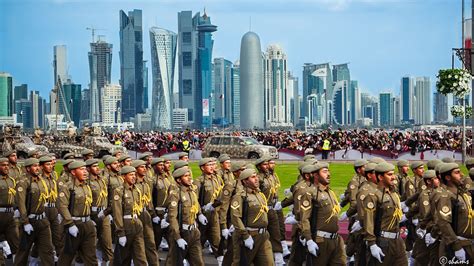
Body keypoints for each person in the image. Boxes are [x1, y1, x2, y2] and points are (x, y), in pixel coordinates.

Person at [299, 162, 346, 265]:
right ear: (316, 175)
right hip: (320, 240)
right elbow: (304, 219)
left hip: (336, 239)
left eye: (328, 171)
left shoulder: (330, 192)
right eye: (324, 172)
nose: (328, 174)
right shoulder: (310, 193)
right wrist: (309, 239)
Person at [362, 162, 407, 266]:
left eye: (393, 174)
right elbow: (369, 222)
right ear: (380, 177)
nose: (394, 177)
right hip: (383, 241)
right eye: (389, 174)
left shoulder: (394, 194)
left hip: (398, 240)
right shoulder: (373, 196)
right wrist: (372, 244)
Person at [14, 158, 54, 265]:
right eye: (34, 166)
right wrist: (25, 222)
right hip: (30, 221)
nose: (37, 168)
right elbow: (21, 204)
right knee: (23, 252)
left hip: (43, 221)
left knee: (48, 251)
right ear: (27, 168)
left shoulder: (41, 181)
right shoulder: (23, 182)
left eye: (38, 165)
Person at [230, 168, 274, 265]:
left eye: (256, 176)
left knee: (269, 263)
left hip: (263, 235)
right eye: (253, 177)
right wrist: (245, 236)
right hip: (249, 235)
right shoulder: (240, 196)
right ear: (245, 181)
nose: (257, 179)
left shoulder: (259, 194)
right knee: (242, 263)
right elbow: (235, 217)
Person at [57, 161, 98, 265]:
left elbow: (89, 204)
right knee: (66, 257)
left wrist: (92, 218)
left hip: (87, 225)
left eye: (85, 169)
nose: (85, 172)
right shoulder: (67, 187)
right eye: (81, 169)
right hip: (74, 224)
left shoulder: (87, 186)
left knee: (91, 257)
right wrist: (70, 224)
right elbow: (62, 206)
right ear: (73, 172)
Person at [166, 166, 208, 266]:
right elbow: (172, 217)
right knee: (174, 263)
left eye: (189, 175)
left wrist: (200, 214)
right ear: (179, 180)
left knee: (198, 262)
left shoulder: (192, 192)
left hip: (194, 231)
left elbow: (196, 205)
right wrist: (178, 237)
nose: (189, 178)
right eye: (186, 176)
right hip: (182, 232)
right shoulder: (176, 194)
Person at [434, 163, 474, 262]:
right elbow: (443, 223)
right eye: (457, 173)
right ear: (448, 177)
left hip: (468, 244)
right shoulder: (446, 196)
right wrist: (457, 247)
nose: (461, 175)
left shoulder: (462, 194)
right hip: (456, 245)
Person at [111, 166, 147, 265]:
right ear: (123, 176)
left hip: (136, 224)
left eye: (134, 174)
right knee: (122, 258)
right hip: (125, 226)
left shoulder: (136, 190)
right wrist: (120, 233)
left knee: (140, 256)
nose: (134, 177)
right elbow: (117, 213)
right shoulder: (119, 191)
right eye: (131, 175)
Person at [256, 156, 285, 265]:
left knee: (276, 233)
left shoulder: (270, 177)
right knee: (260, 234)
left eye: (268, 164)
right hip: (262, 210)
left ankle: (279, 259)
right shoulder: (258, 178)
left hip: (272, 209)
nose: (267, 166)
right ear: (259, 167)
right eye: (264, 165)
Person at [132, 160, 160, 265]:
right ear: (135, 169)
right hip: (135, 215)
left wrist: (153, 215)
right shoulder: (133, 184)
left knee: (150, 243)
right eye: (141, 167)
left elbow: (149, 202)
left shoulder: (146, 184)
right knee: (137, 244)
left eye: (145, 167)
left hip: (146, 214)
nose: (144, 169)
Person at [86, 158, 113, 264]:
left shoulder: (103, 180)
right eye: (94, 166)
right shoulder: (86, 182)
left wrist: (108, 211)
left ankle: (107, 261)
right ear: (88, 169)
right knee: (89, 244)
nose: (98, 168)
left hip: (104, 214)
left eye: (98, 166)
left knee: (107, 242)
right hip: (92, 215)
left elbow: (109, 195)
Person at [196, 158, 223, 257]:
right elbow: (195, 200)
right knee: (199, 241)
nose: (212, 167)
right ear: (202, 168)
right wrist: (199, 213)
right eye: (209, 165)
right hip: (203, 214)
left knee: (217, 240)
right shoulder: (199, 181)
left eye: (212, 165)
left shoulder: (216, 179)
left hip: (214, 213)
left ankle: (221, 261)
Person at [0, 157, 19, 262]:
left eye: (7, 165)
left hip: (10, 216)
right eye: (3, 165)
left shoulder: (11, 180)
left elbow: (15, 196)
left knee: (15, 243)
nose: (6, 167)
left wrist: (16, 208)